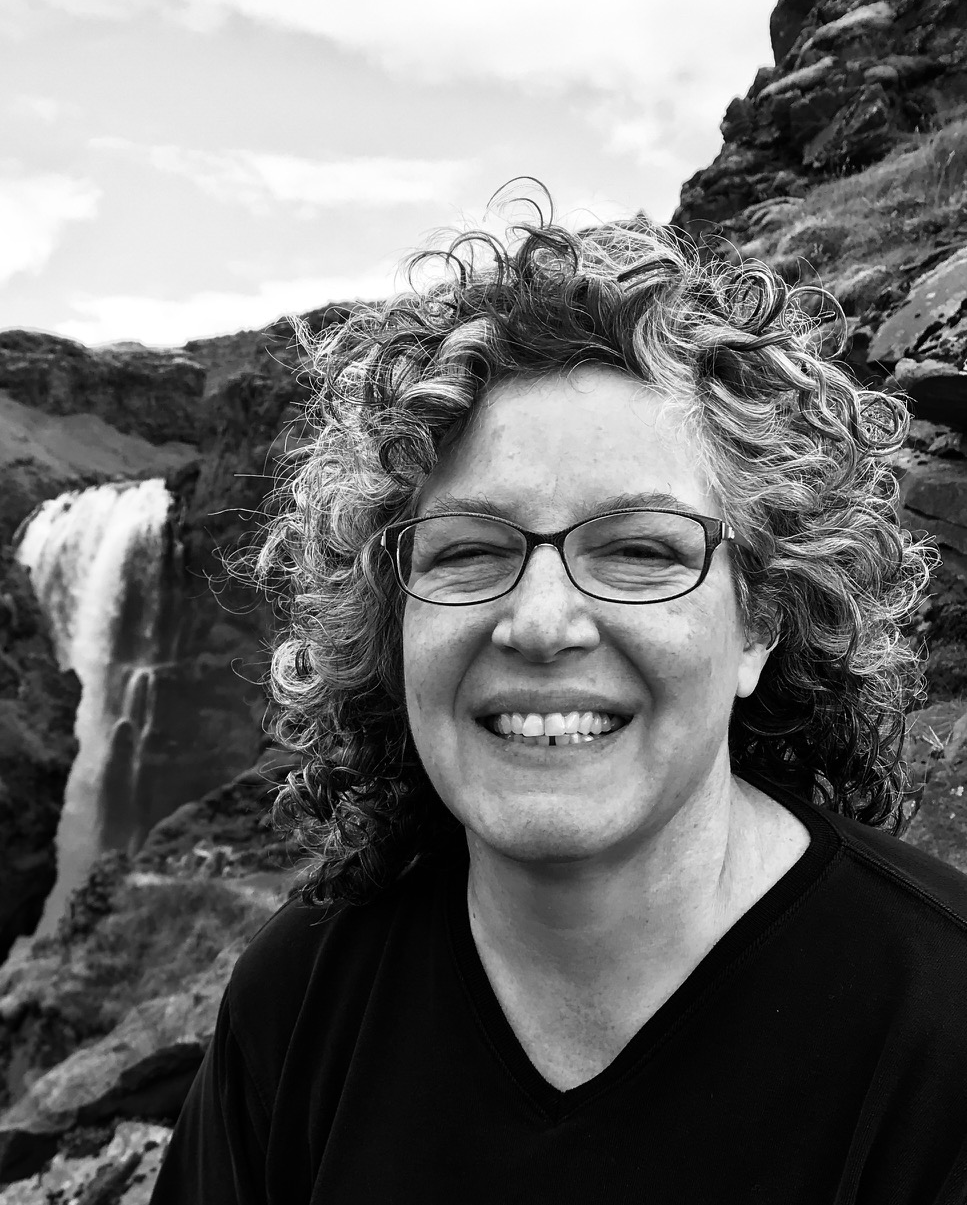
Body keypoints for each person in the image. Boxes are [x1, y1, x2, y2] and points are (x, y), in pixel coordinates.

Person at [150, 203, 967, 1205]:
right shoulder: (301, 1000)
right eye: (468, 549)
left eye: (638, 549)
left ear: (760, 619)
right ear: (390, 622)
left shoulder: (939, 1030)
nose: (539, 623)